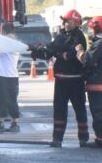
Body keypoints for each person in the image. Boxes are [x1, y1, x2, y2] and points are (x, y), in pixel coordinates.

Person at [31, 9, 89, 147]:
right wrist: (36, 51)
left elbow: (69, 55)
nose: (65, 24)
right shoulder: (60, 37)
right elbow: (49, 52)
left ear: (76, 23)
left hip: (76, 81)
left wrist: (58, 53)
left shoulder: (79, 37)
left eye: (69, 21)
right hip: (61, 81)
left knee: (80, 110)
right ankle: (57, 139)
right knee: (59, 110)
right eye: (64, 21)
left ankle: (83, 138)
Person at [76, 16, 102, 148]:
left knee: (101, 112)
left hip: (98, 84)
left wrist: (79, 51)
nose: (90, 32)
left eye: (92, 29)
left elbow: (88, 60)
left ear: (98, 29)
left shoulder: (101, 44)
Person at [0, 24, 21, 132]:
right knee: (6, 100)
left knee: (6, 100)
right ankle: (4, 122)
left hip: (5, 76)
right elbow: (6, 58)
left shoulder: (8, 41)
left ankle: (13, 123)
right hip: (10, 76)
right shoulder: (12, 42)